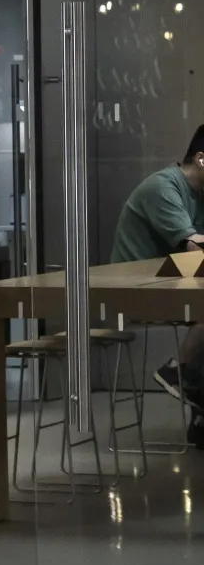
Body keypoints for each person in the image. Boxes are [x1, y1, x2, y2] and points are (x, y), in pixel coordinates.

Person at [113, 125, 204, 439]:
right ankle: (177, 370)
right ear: (202, 159)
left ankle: (199, 410)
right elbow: (195, 248)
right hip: (135, 286)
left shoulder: (200, 193)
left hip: (173, 279)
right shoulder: (163, 188)